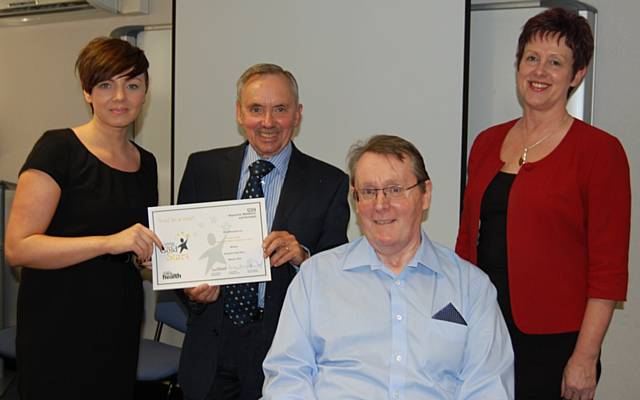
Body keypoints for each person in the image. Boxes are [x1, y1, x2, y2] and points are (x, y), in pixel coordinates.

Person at [455, 8, 631, 400]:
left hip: (556, 344)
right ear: (518, 64)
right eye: (532, 58)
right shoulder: (486, 143)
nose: (540, 71)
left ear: (577, 74)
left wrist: (585, 356)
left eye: (556, 63)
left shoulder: (600, 152)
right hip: (485, 330)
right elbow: (466, 244)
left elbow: (608, 269)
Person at [262, 134, 514, 399]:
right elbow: (287, 377)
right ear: (356, 200)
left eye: (395, 190)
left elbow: (489, 387)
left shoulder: (471, 287)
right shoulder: (316, 278)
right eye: (369, 192)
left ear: (425, 194)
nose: (380, 205)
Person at [177, 63, 350, 400]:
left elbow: (337, 277)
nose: (268, 122)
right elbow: (185, 256)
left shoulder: (328, 183)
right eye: (256, 109)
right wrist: (191, 292)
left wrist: (303, 257)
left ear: (297, 115)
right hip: (213, 341)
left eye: (280, 109)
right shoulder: (202, 169)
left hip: (284, 349)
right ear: (239, 113)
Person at [4, 37, 163, 399]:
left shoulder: (147, 162)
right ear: (88, 92)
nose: (120, 97)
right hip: (59, 320)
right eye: (106, 85)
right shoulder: (58, 148)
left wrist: (159, 260)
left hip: (119, 320)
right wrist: (109, 241)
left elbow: (134, 253)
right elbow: (18, 248)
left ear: (145, 93)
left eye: (132, 85)